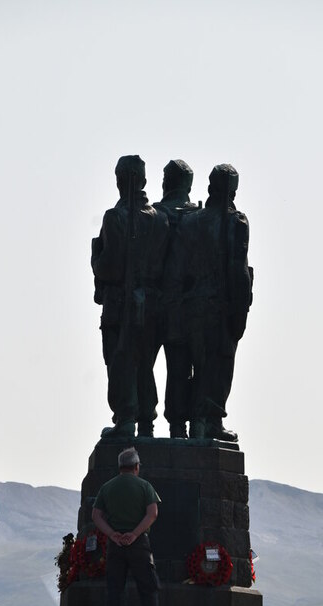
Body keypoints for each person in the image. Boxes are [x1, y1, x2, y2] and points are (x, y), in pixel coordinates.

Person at [168, 164, 253, 440]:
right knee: (216, 368)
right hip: (219, 308)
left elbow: (177, 269)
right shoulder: (235, 222)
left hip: (189, 307)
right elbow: (238, 270)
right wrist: (241, 311)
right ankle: (208, 423)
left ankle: (181, 425)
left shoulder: (190, 221)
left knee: (187, 369)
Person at [91, 155, 170, 438]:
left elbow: (109, 267)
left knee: (120, 361)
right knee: (145, 364)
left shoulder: (115, 217)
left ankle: (126, 419)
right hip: (153, 304)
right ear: (145, 181)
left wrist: (95, 259)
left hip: (120, 303)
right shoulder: (161, 220)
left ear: (119, 181)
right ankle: (146, 421)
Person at [91, 447, 167, 606]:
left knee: (115, 589)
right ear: (136, 466)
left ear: (120, 467)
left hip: (115, 544)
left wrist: (112, 534)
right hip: (139, 544)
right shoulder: (145, 486)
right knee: (148, 588)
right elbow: (153, 513)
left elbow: (96, 515)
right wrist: (134, 534)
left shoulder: (107, 487)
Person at [153, 159, 198, 439]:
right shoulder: (198, 217)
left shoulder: (152, 214)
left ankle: (142, 422)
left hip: (153, 303)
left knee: (140, 367)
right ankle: (179, 425)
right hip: (188, 306)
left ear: (165, 183)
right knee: (181, 368)